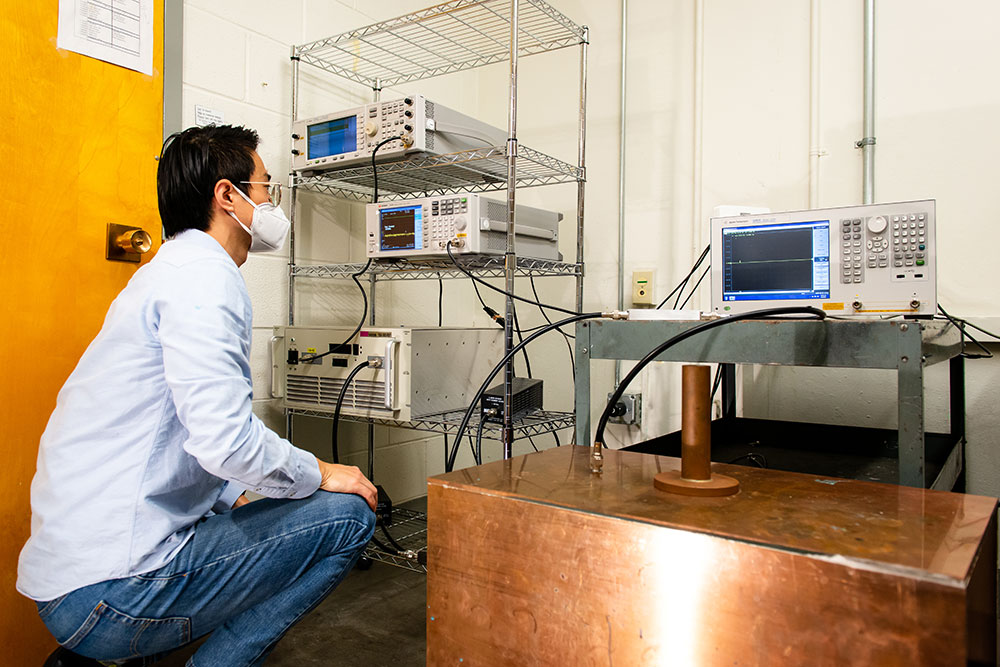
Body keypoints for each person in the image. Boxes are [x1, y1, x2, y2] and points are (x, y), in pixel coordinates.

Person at [18, 124, 377, 667]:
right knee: (348, 515)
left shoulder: (165, 274)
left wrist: (243, 496)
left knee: (253, 501)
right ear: (227, 195)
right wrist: (324, 472)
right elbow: (227, 441)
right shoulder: (205, 280)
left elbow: (183, 435)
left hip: (72, 582)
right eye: (265, 187)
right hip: (111, 593)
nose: (271, 202)